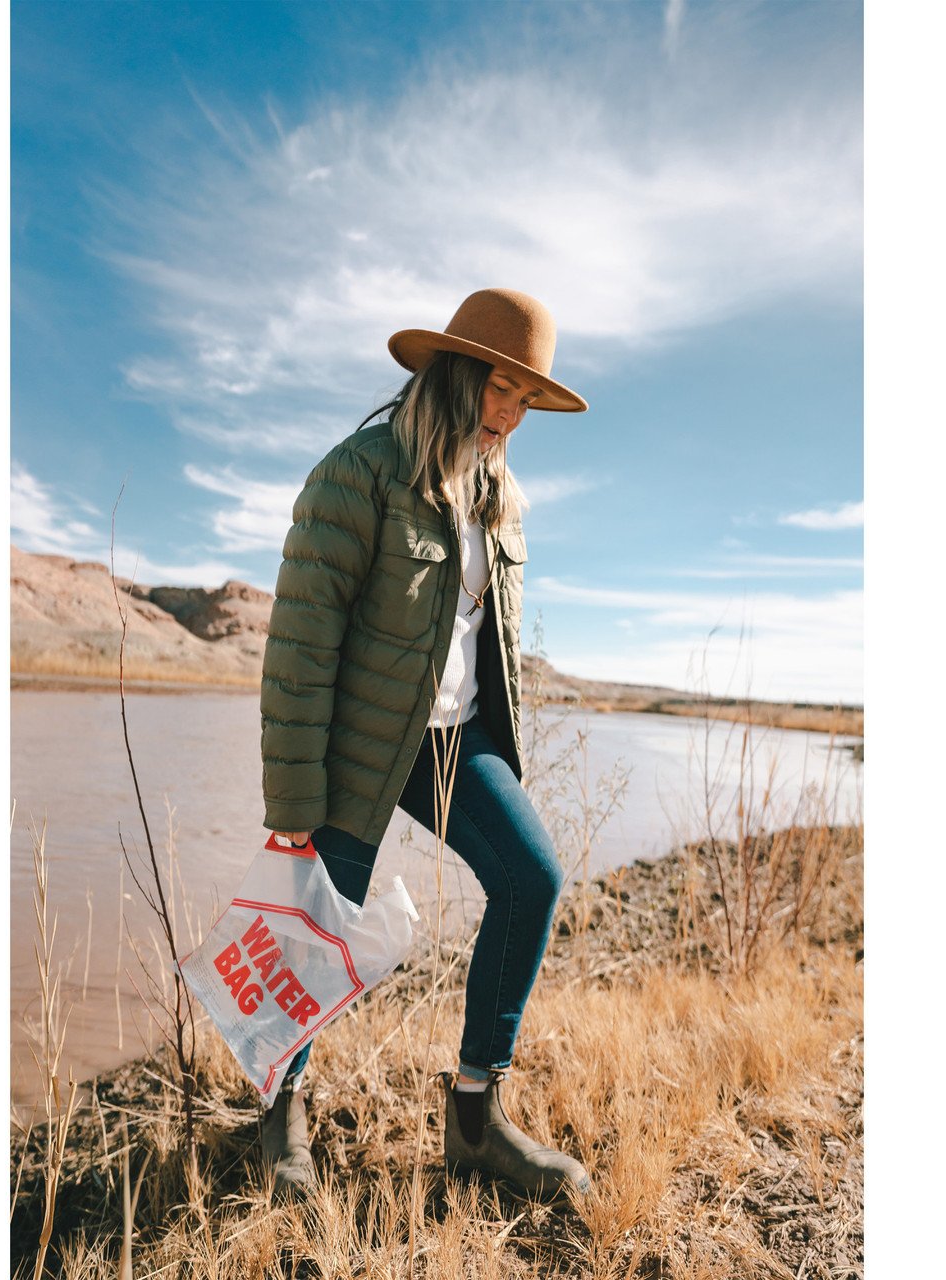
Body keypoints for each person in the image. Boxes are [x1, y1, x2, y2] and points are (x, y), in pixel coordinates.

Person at [258, 287, 591, 1200]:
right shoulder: (359, 473)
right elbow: (300, 649)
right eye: (500, 388)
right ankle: (282, 1112)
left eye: (527, 400)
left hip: (454, 742)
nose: (511, 415)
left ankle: (477, 1119)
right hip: (361, 740)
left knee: (532, 880)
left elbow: (487, 645)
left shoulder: (501, 502)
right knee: (319, 921)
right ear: (453, 373)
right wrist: (294, 806)